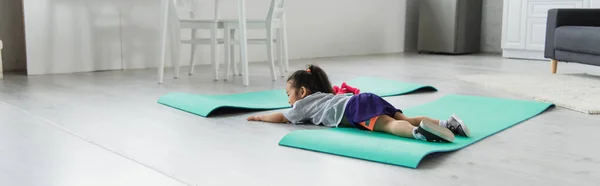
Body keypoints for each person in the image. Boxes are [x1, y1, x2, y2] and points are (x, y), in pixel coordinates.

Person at [246, 64, 470, 142]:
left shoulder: (301, 106)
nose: (288, 100)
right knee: (404, 117)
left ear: (302, 92)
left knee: (389, 126)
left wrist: (259, 117)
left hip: (353, 108)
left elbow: (281, 117)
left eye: (288, 94)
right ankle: (447, 123)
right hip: (363, 99)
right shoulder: (326, 95)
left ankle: (417, 133)